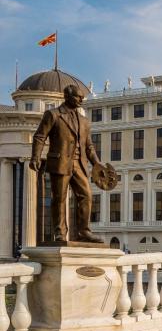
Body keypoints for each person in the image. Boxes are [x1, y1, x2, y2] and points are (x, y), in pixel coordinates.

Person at [30, 84, 103, 243]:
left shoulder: (84, 121)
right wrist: (35, 157)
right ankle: (60, 233)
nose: (81, 100)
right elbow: (40, 137)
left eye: (82, 98)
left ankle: (84, 232)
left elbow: (89, 146)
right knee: (59, 199)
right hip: (60, 162)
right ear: (67, 96)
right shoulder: (53, 115)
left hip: (79, 164)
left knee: (86, 195)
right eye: (78, 97)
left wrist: (97, 163)